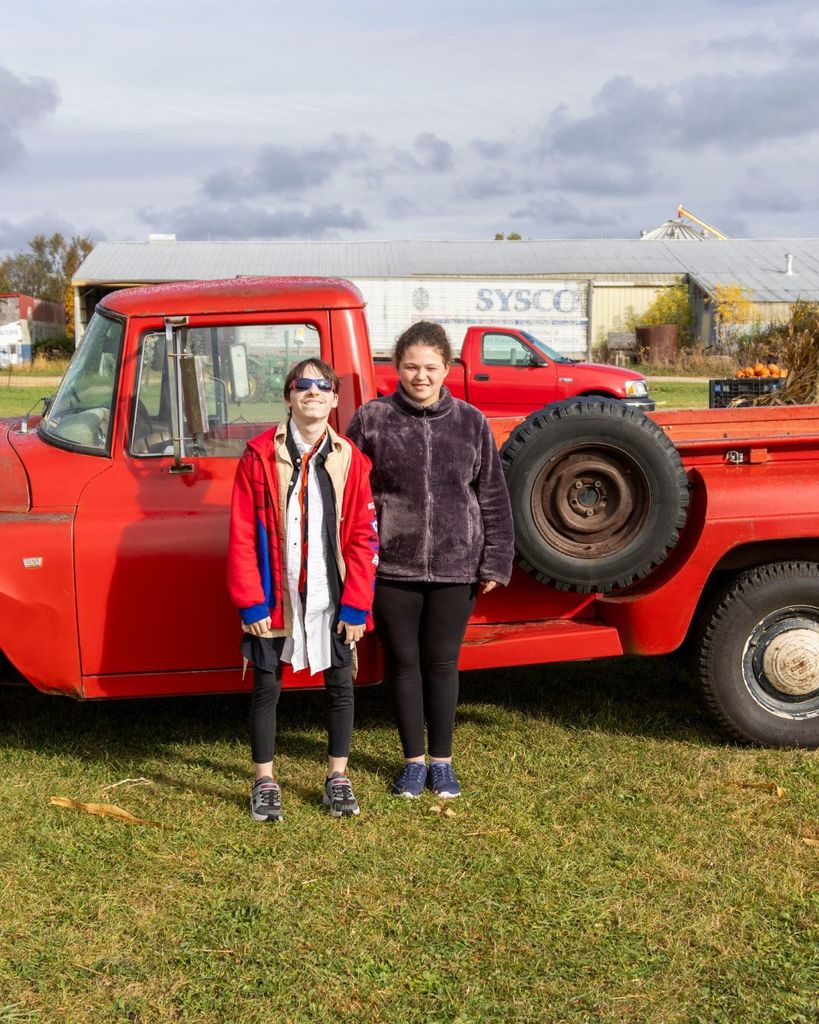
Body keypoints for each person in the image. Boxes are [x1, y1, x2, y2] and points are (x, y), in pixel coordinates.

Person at [347, 321, 514, 799]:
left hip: (455, 565)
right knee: (403, 664)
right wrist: (357, 562)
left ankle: (442, 762)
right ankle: (412, 763)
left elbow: (492, 497)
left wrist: (496, 560)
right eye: (411, 367)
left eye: (430, 367)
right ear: (396, 367)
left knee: (441, 664)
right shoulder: (372, 419)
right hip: (391, 566)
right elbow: (350, 493)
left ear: (446, 369)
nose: (420, 376)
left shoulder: (471, 422)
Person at [227, 358, 379, 821]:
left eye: (323, 386)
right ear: (289, 397)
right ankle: (265, 781)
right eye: (302, 385)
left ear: (335, 399)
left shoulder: (352, 459)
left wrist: (356, 605)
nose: (312, 392)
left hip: (331, 596)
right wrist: (251, 600)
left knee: (340, 685)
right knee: (267, 686)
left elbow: (362, 536)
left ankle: (337, 776)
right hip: (275, 596)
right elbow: (241, 534)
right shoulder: (257, 456)